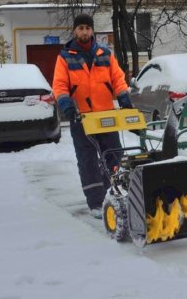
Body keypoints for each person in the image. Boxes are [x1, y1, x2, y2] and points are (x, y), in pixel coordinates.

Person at [52, 13, 133, 219]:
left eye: (88, 28)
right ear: (75, 31)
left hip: (105, 115)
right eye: (81, 28)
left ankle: (113, 194)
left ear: (92, 31)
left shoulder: (105, 53)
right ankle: (96, 202)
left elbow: (118, 79)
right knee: (87, 159)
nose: (85, 32)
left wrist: (123, 97)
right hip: (81, 118)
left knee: (114, 155)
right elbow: (60, 85)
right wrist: (65, 104)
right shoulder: (65, 56)